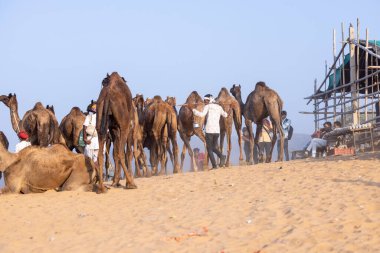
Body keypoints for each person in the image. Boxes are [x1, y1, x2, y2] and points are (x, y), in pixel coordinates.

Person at [192, 94, 228, 169]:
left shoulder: (208, 106)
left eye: (206, 100)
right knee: (214, 148)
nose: (205, 102)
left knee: (209, 149)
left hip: (209, 131)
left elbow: (202, 115)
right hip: (217, 131)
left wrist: (194, 110)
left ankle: (215, 165)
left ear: (210, 100)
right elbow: (225, 115)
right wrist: (225, 108)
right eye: (204, 100)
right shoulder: (219, 107)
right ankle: (222, 156)